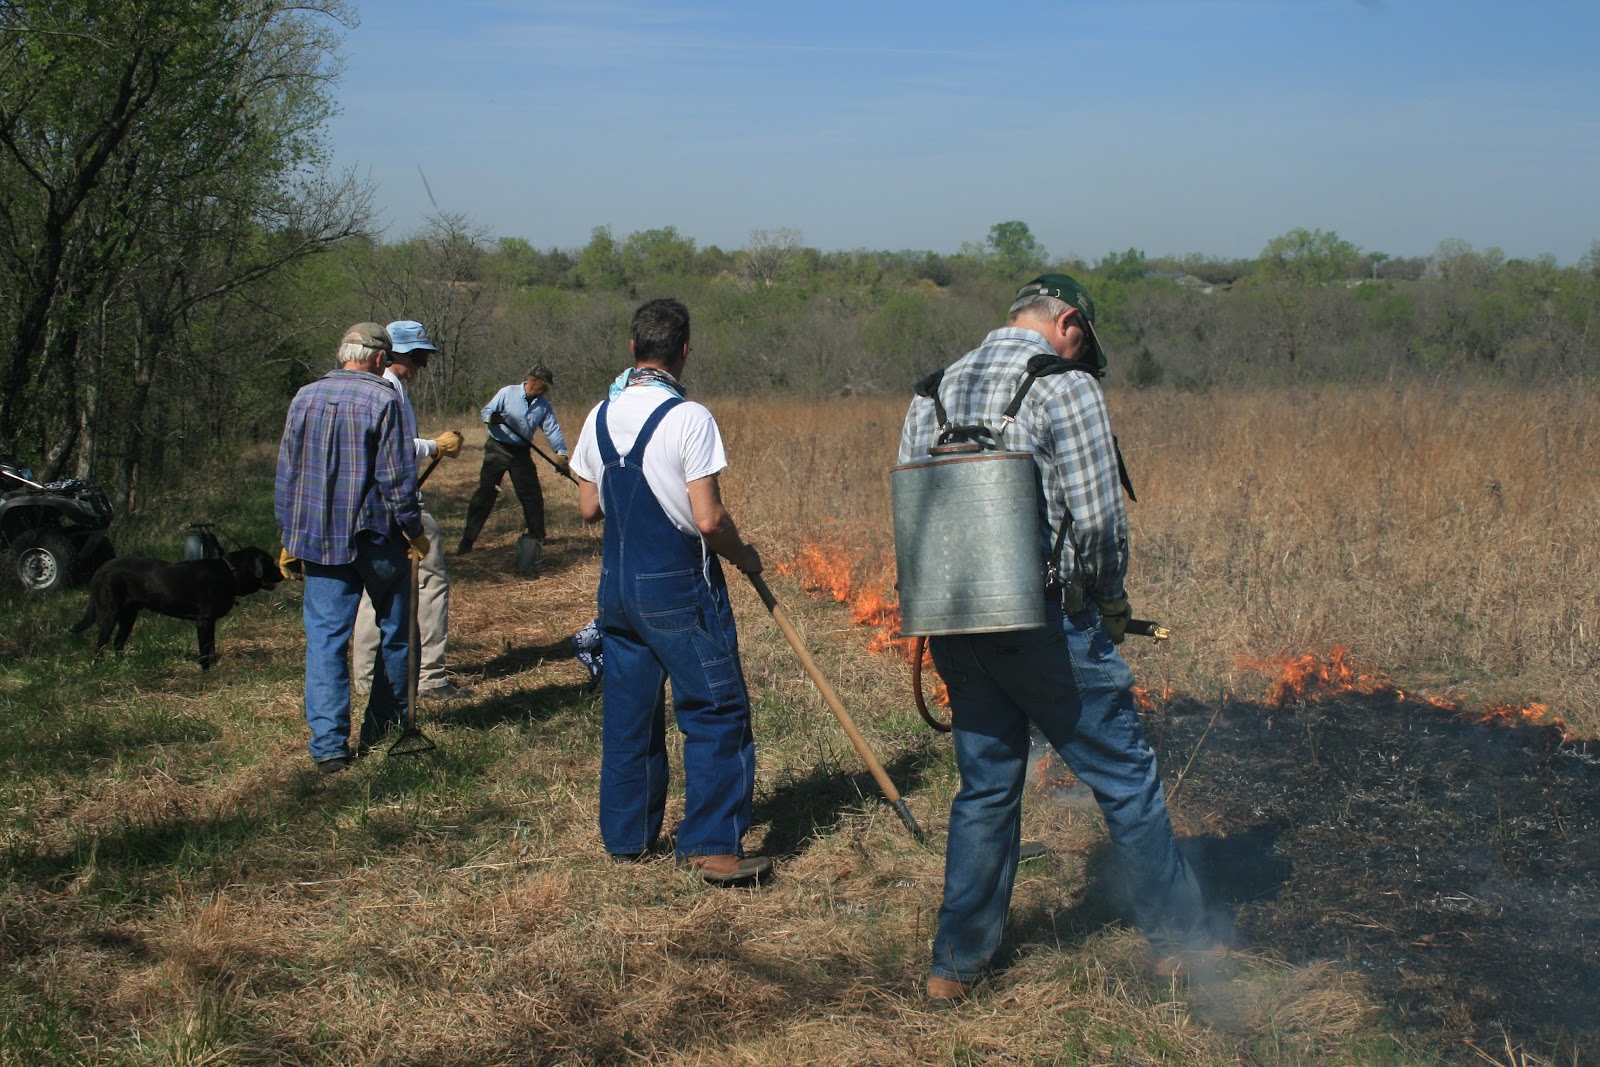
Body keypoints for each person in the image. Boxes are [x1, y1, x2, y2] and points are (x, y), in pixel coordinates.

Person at [898, 274, 1221, 1000]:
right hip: (1049, 625)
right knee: (1126, 779)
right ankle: (1178, 941)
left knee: (985, 790)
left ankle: (954, 967)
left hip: (957, 624)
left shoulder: (933, 389)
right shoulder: (1065, 385)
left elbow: (913, 510)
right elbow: (1099, 517)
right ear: (1067, 323)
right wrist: (1109, 598)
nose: (1083, 357)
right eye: (1084, 344)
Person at [570, 298, 770, 886]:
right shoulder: (690, 418)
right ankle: (711, 846)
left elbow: (587, 508)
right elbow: (708, 520)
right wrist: (745, 554)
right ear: (684, 351)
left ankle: (627, 837)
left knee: (629, 713)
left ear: (633, 350)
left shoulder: (598, 416)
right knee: (715, 708)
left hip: (618, 589)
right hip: (679, 587)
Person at [275, 322, 430, 773]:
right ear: (381, 359)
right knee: (396, 633)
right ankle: (383, 726)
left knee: (325, 641)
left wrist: (289, 536)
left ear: (344, 353)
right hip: (376, 538)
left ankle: (329, 748)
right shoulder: (384, 399)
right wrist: (413, 528)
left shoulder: (304, 396)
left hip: (320, 541)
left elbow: (288, 472)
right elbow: (396, 478)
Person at [351, 320, 466, 700]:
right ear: (392, 353)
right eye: (417, 357)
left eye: (425, 358)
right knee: (431, 582)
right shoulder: (386, 388)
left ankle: (368, 679)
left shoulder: (383, 386)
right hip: (398, 500)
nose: (421, 366)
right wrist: (433, 446)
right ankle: (431, 677)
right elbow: (394, 448)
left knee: (375, 587)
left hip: (377, 502)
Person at [456, 365, 569, 557]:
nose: (546, 391)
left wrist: (561, 453)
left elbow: (552, 428)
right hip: (497, 448)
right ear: (533, 381)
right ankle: (468, 540)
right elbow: (486, 411)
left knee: (531, 495)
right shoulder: (507, 393)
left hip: (521, 453)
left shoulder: (543, 405)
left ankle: (536, 538)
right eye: (544, 386)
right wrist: (493, 418)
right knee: (486, 494)